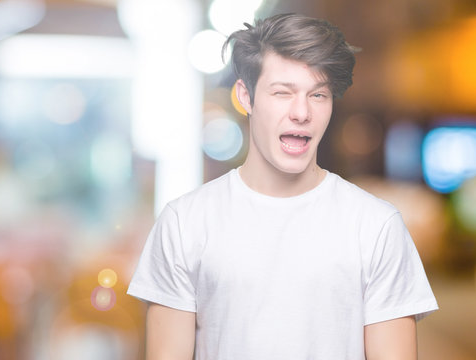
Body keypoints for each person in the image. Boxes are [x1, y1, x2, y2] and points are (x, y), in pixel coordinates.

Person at [127, 13, 438, 359]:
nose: (301, 112)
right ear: (246, 97)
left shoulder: (376, 226)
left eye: (318, 95)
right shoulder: (184, 223)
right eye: (282, 93)